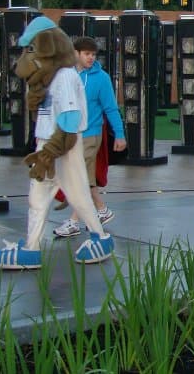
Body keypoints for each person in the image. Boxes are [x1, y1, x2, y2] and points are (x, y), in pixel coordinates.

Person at [0, 17, 113, 270]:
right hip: (48, 146)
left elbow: (70, 119)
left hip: (62, 148)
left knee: (79, 195)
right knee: (37, 197)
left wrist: (50, 151)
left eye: (32, 49)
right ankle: (31, 247)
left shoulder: (65, 77)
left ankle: (100, 237)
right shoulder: (51, 79)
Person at [54, 37, 127, 238]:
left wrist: (119, 135)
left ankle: (74, 221)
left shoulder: (101, 78)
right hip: (70, 135)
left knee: (79, 179)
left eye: (93, 54)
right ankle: (102, 210)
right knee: (84, 177)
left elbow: (111, 108)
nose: (91, 58)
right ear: (75, 53)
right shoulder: (66, 75)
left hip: (90, 135)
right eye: (87, 54)